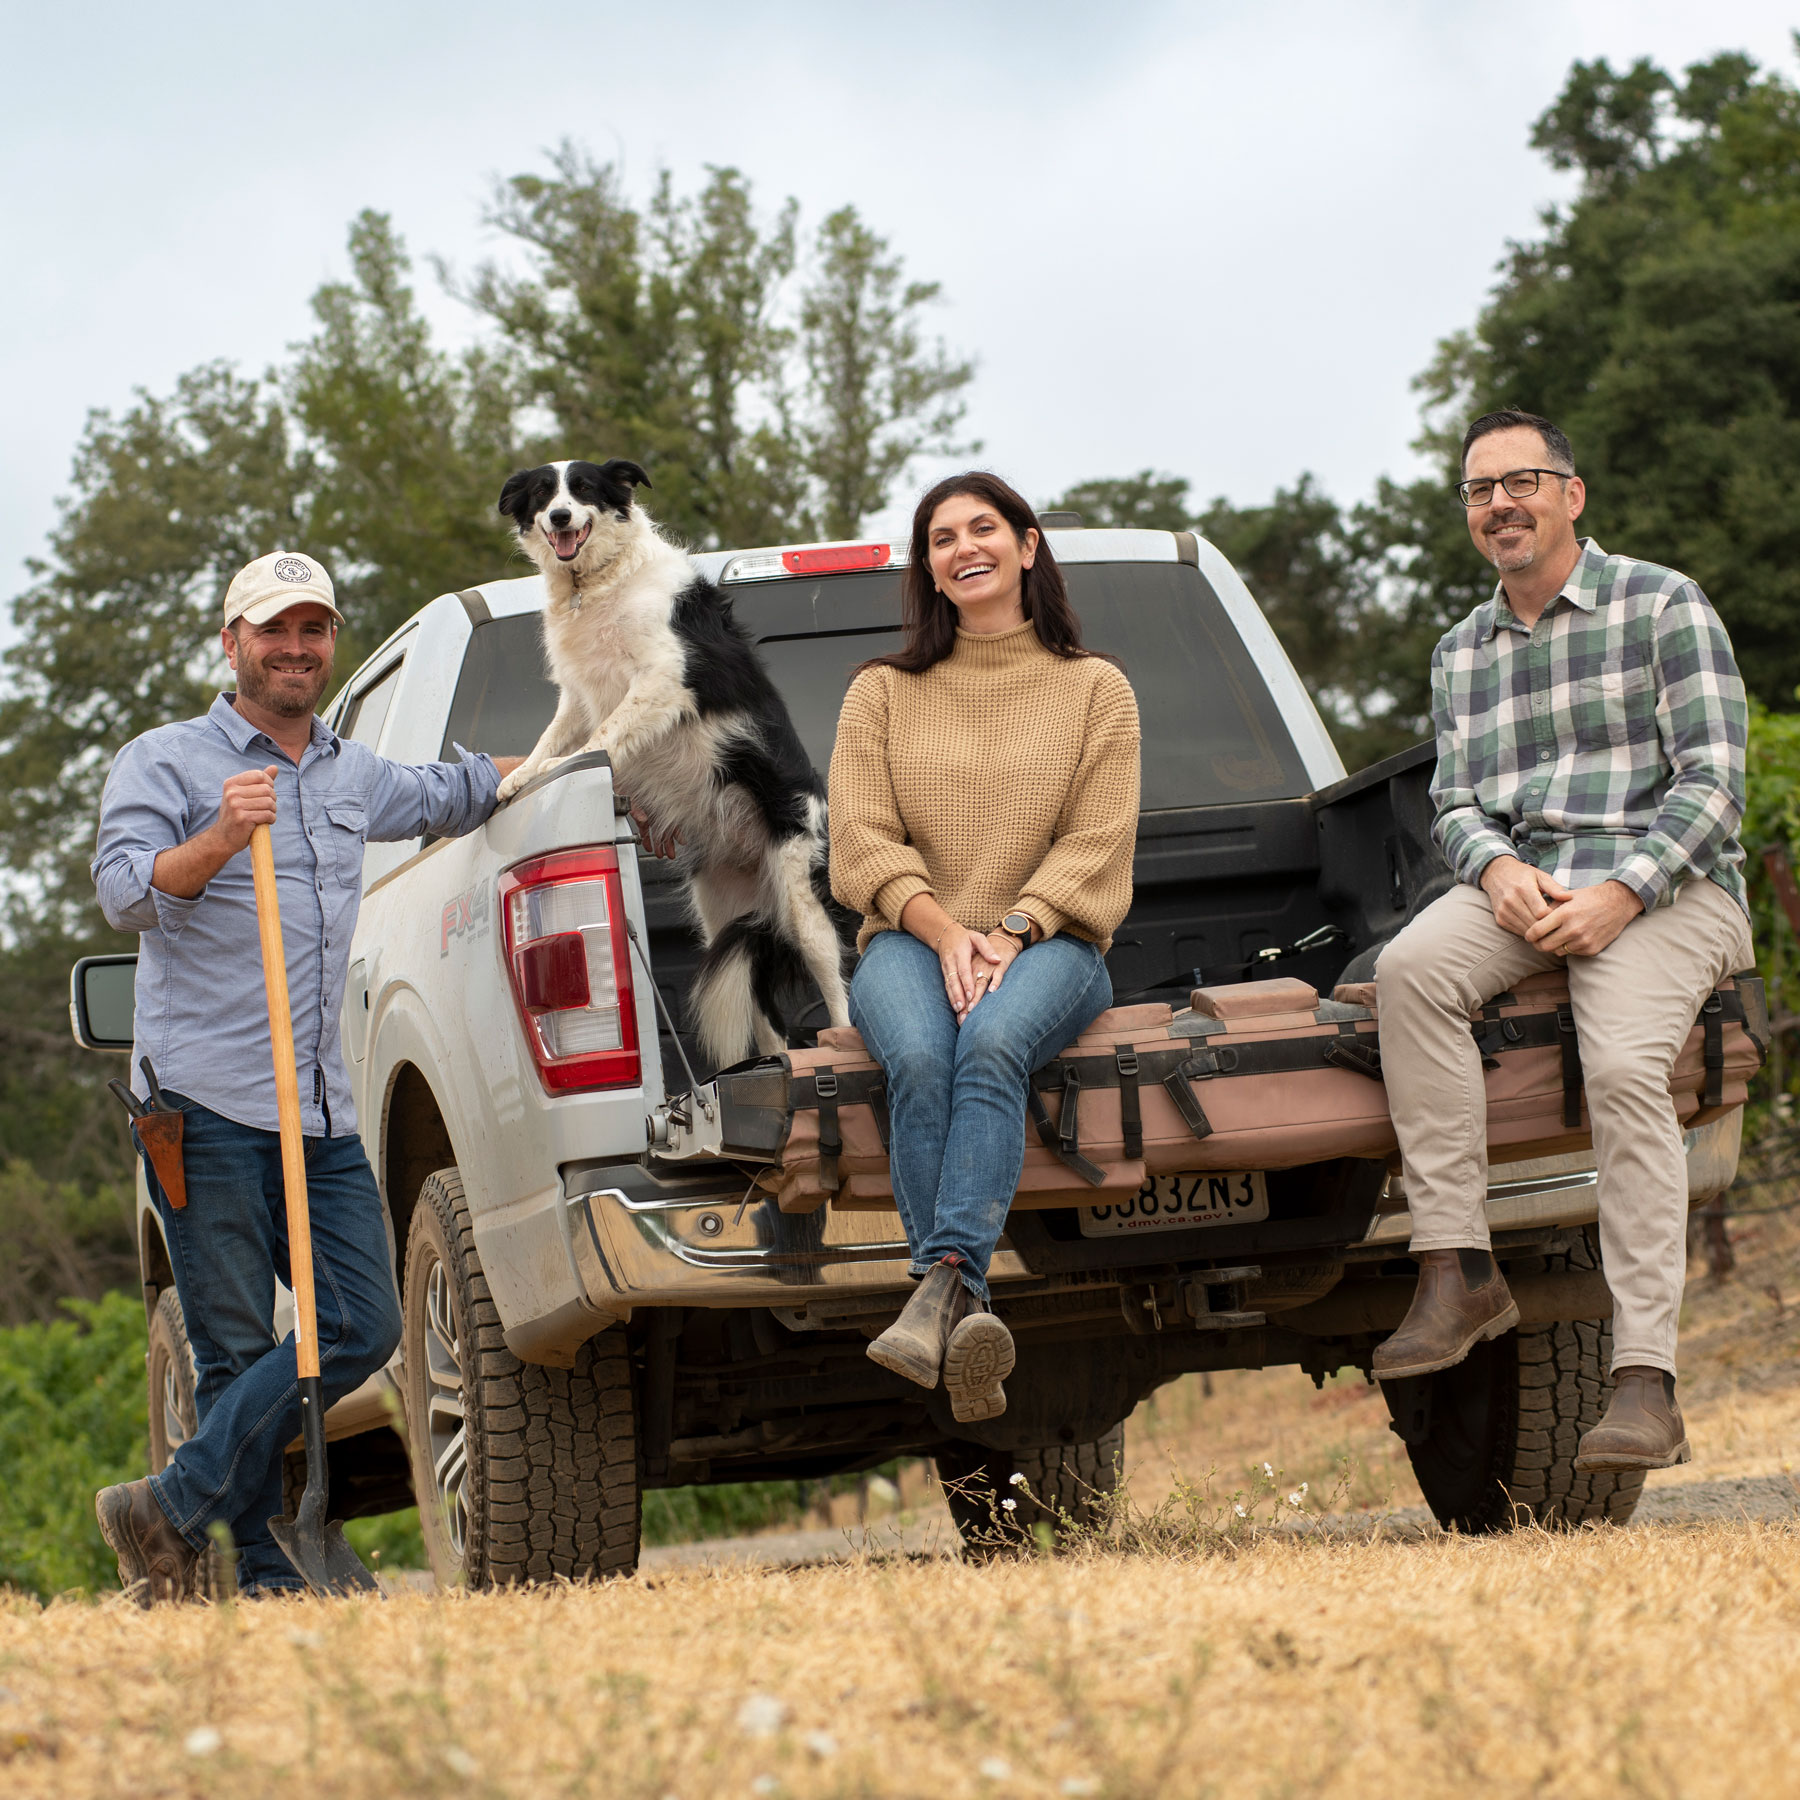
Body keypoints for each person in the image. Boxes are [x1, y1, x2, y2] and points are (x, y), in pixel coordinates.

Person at [90, 551, 522, 1601]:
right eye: (273, 630)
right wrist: (220, 835)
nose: (294, 648)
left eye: (312, 628)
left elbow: (455, 791)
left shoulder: (349, 772)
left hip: (316, 1108)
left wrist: (578, 760)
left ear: (329, 641)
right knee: (237, 1348)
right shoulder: (164, 761)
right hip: (200, 1102)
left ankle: (167, 1504)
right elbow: (125, 893)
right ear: (231, 643)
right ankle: (267, 1572)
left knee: (365, 1324)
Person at [1371, 409, 1752, 1471]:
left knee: (1624, 1066)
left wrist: (1623, 894)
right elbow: (1453, 802)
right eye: (1480, 489)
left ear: (1571, 495)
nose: (1500, 504)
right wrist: (1496, 870)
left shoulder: (1663, 604)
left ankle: (1645, 1381)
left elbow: (1716, 782)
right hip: (1526, 882)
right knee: (1408, 971)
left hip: (1669, 883)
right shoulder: (1461, 651)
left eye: (1522, 482)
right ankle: (1458, 1270)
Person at [827, 472, 1140, 1423]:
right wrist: (944, 931)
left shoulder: (1096, 689)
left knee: (993, 1043)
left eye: (984, 528)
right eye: (941, 538)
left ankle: (940, 1288)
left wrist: (1010, 931)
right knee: (922, 1056)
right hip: (909, 937)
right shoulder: (881, 692)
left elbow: (1097, 840)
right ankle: (961, 1307)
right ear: (928, 568)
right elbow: (860, 841)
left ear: (1027, 545)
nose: (964, 548)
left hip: (1055, 941)